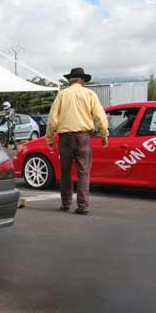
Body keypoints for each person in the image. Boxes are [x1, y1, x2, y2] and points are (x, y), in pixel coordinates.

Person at [45, 67, 109, 215]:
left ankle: (66, 203)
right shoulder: (90, 94)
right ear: (83, 81)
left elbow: (52, 119)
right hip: (83, 137)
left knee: (65, 172)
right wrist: (104, 134)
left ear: (70, 80)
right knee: (83, 172)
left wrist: (49, 139)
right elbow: (100, 116)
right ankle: (83, 205)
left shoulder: (62, 95)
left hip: (65, 138)